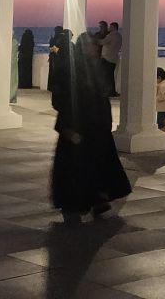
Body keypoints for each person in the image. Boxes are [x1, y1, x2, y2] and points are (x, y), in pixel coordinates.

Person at [50, 31, 131, 224]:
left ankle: (97, 198)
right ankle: (74, 203)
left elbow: (100, 96)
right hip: (76, 126)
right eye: (91, 45)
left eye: (96, 46)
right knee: (75, 168)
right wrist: (68, 126)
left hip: (95, 128)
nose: (96, 49)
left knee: (95, 164)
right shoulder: (71, 69)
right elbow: (61, 97)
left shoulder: (94, 69)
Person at [100, 22, 122, 97]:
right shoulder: (119, 36)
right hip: (114, 58)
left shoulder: (112, 35)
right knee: (110, 76)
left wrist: (93, 40)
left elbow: (102, 42)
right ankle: (111, 91)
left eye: (110, 26)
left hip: (107, 58)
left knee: (107, 76)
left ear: (113, 27)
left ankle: (108, 92)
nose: (109, 28)